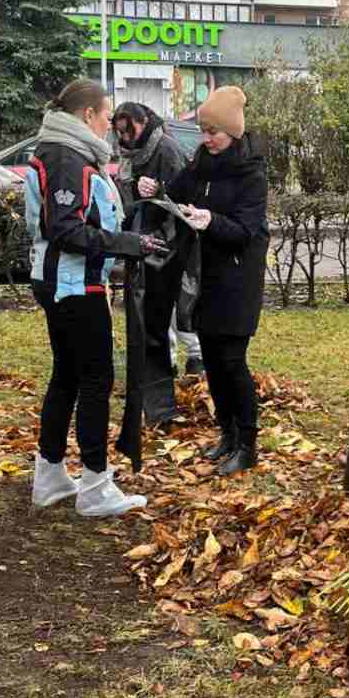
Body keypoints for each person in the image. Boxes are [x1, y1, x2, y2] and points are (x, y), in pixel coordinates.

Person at [26, 79, 164, 517]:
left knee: (67, 375)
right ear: (88, 115)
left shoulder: (63, 150)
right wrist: (128, 243)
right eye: (107, 116)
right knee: (94, 379)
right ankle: (95, 485)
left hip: (61, 281)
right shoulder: (67, 156)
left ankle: (49, 476)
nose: (110, 124)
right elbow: (65, 228)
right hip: (74, 286)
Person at [138, 86, 268, 476]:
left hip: (238, 280)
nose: (207, 138)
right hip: (205, 276)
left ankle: (248, 444)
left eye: (214, 131)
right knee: (211, 360)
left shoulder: (252, 172)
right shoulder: (200, 163)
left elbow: (246, 230)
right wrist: (154, 189)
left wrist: (211, 221)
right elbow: (176, 194)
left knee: (232, 361)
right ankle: (226, 434)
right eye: (204, 130)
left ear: (233, 131)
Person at [113, 101, 189, 424]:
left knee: (157, 326)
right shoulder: (130, 157)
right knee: (147, 328)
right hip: (142, 247)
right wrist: (134, 187)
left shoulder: (167, 150)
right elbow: (126, 199)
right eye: (120, 134)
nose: (127, 140)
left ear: (144, 122)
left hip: (166, 249)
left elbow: (186, 199)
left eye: (131, 131)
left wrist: (158, 189)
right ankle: (154, 404)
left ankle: (160, 407)